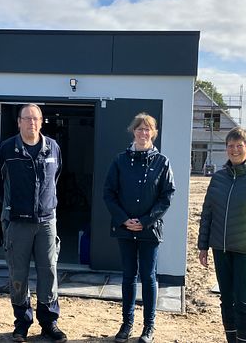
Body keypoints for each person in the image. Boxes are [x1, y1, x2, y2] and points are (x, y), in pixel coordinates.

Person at [0, 104, 66, 343]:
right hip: (17, 223)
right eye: (27, 118)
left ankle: (49, 323)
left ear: (42, 121)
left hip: (46, 221)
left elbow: (56, 177)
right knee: (18, 274)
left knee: (49, 272)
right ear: (19, 122)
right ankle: (22, 324)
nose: (32, 122)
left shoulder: (52, 147)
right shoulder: (6, 149)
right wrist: (16, 206)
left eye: (36, 118)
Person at [103, 113, 176, 343]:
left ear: (153, 133)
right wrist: (124, 219)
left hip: (149, 230)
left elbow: (167, 196)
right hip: (125, 229)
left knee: (148, 276)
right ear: (133, 131)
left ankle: (148, 327)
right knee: (127, 276)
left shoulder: (162, 162)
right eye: (139, 129)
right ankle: (127, 324)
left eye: (148, 129)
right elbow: (109, 193)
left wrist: (145, 221)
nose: (143, 133)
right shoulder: (119, 160)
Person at [197, 127, 246, 343]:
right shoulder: (218, 178)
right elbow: (208, 212)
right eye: (230, 146)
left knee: (244, 302)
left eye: (239, 145)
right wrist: (203, 246)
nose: (234, 150)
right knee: (226, 300)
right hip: (220, 249)